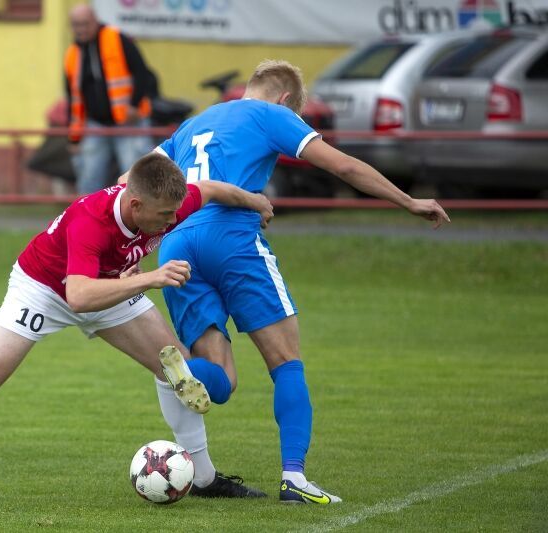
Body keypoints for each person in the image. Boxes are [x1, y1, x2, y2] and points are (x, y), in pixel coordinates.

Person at [0, 153, 273, 507]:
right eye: (164, 216)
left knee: (175, 370)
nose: (170, 222)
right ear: (134, 205)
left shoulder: (167, 202)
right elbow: (78, 296)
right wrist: (150, 279)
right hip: (43, 288)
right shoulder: (91, 220)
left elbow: (214, 189)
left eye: (174, 213)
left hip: (107, 285)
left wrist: (256, 201)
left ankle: (203, 480)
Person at [145, 59, 451, 504]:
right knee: (286, 361)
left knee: (222, 382)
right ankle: (295, 478)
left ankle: (182, 372)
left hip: (177, 243)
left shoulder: (194, 123)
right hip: (231, 239)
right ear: (287, 100)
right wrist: (407, 200)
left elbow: (129, 180)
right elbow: (343, 167)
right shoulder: (273, 115)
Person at [64, 5, 155, 194]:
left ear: (95, 20)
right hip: (95, 125)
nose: (81, 29)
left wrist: (133, 105)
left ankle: (139, 222)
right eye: (76, 25)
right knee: (88, 181)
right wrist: (73, 138)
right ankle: (90, 222)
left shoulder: (116, 38)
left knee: (136, 179)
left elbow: (142, 73)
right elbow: (72, 100)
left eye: (85, 24)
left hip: (129, 123)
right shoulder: (72, 55)